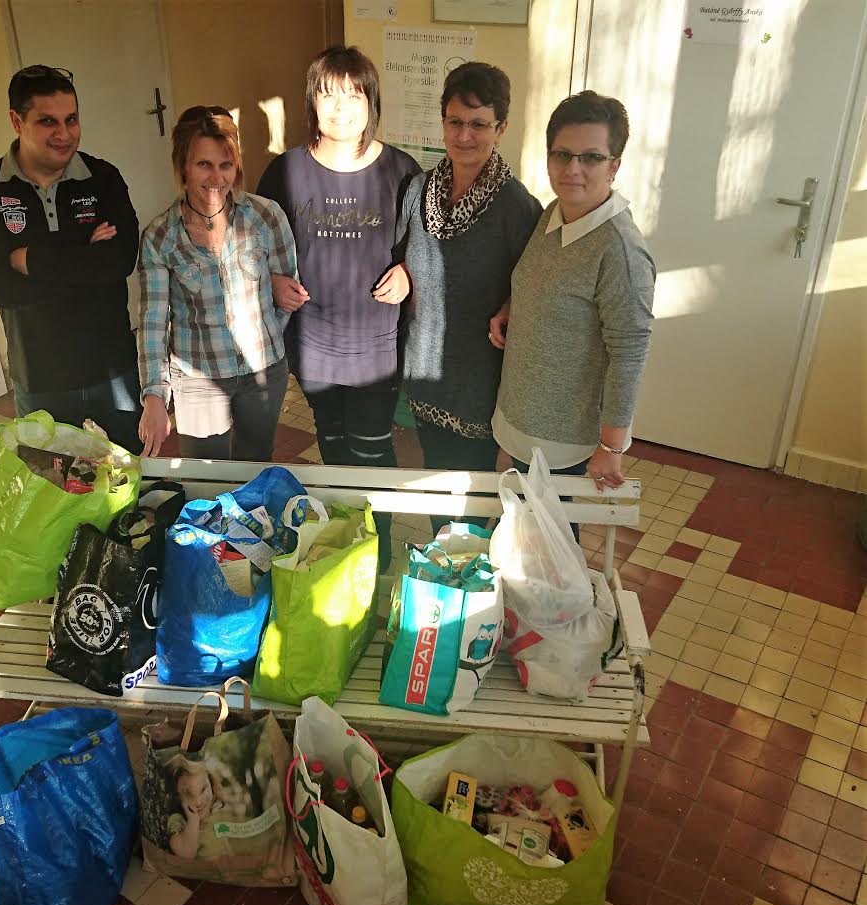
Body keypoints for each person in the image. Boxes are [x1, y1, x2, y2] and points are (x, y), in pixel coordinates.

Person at [257, 46, 421, 564]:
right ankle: (344, 553)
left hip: (376, 344)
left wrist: (409, 273)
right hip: (312, 342)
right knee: (331, 444)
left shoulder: (402, 171)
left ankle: (379, 552)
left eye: (354, 96)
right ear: (313, 101)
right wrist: (273, 280)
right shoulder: (285, 171)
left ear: (372, 103)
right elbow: (256, 245)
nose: (342, 108)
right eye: (329, 95)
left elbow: (426, 247)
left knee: (372, 450)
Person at [491, 90, 655, 531]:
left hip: (563, 434)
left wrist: (612, 447)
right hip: (523, 414)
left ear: (614, 166)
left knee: (552, 545)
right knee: (522, 535)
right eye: (561, 154)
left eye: (591, 157)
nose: (572, 169)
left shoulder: (619, 250)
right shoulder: (554, 213)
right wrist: (513, 306)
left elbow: (629, 353)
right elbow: (543, 279)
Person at [0, 65, 142, 453]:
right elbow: (1, 290)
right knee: (52, 478)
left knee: (131, 470)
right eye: (48, 121)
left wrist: (31, 260)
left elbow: (119, 262)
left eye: (71, 119)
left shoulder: (103, 179)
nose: (64, 133)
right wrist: (85, 257)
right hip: (39, 374)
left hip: (112, 368)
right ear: (17, 121)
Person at [396, 62, 541, 534]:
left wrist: (513, 304)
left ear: (501, 128)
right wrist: (402, 272)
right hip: (426, 368)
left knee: (475, 494)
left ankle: (472, 574)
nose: (464, 136)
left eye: (478, 124)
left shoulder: (517, 206)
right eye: (455, 121)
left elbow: (535, 283)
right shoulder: (418, 190)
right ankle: (441, 566)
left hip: (480, 379)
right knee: (437, 480)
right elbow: (402, 255)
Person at [137, 107, 299, 461]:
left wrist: (266, 337)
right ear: (182, 166)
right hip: (198, 378)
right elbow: (153, 323)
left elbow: (288, 294)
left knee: (255, 466)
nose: (217, 177)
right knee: (206, 473)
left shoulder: (266, 216)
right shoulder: (160, 237)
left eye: (226, 165)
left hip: (264, 371)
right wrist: (154, 395)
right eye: (203, 164)